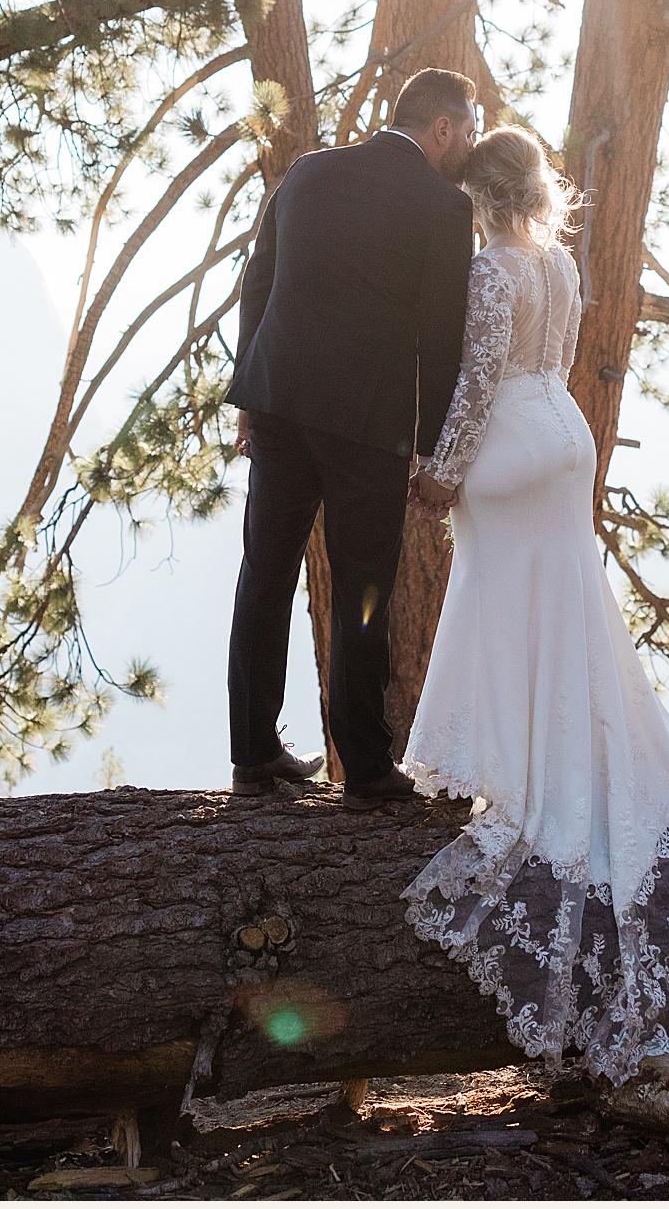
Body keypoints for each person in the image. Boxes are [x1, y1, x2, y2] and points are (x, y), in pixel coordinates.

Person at [399, 125, 669, 1084]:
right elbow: (554, 361)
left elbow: (474, 385)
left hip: (508, 443)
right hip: (567, 440)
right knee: (562, 606)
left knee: (501, 600)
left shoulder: (490, 273)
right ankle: (551, 746)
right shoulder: (557, 264)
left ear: (482, 196)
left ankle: (515, 763)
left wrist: (439, 473)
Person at [223, 68, 480, 809]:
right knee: (363, 584)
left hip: (278, 404)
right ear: (440, 129)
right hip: (365, 425)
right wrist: (435, 450)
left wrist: (249, 393)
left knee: (264, 573)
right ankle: (366, 770)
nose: (468, 141)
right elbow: (443, 339)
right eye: (466, 129)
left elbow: (257, 283)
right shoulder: (443, 206)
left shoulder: (307, 174)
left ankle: (251, 755)